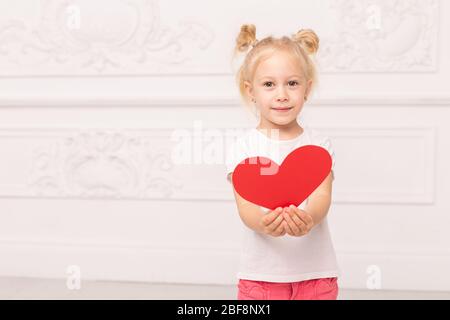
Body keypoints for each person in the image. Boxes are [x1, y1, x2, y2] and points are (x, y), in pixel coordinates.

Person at [225, 24, 340, 300]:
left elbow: (322, 196)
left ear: (307, 88)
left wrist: (309, 218)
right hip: (262, 278)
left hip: (316, 275)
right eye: (268, 84)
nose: (281, 94)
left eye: (292, 83)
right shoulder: (244, 147)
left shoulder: (318, 146)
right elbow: (246, 207)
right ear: (250, 90)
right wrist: (264, 223)